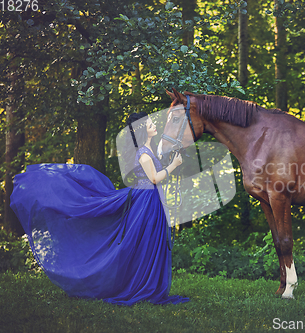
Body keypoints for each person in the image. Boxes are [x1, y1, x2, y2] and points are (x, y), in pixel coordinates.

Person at [10, 112, 188, 306]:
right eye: (150, 124)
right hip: (146, 201)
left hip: (151, 199)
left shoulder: (149, 150)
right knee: (146, 241)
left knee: (151, 240)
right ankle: (142, 286)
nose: (154, 125)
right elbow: (154, 179)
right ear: (141, 130)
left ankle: (150, 284)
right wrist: (173, 166)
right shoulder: (144, 154)